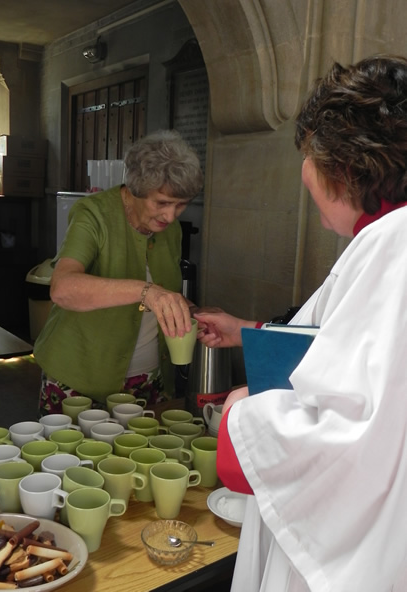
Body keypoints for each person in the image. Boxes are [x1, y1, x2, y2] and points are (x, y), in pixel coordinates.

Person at [195, 55, 407, 591]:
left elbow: (352, 441)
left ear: (342, 165)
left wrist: (242, 415)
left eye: (308, 155)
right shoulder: (383, 239)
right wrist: (250, 333)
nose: (304, 175)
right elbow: (344, 352)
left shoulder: (394, 244)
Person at [34, 130, 203, 415]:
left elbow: (163, 290)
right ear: (137, 188)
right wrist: (146, 293)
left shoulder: (170, 230)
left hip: (148, 381)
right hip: (79, 382)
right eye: (161, 203)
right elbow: (62, 289)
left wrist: (188, 310)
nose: (171, 216)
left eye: (181, 205)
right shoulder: (93, 214)